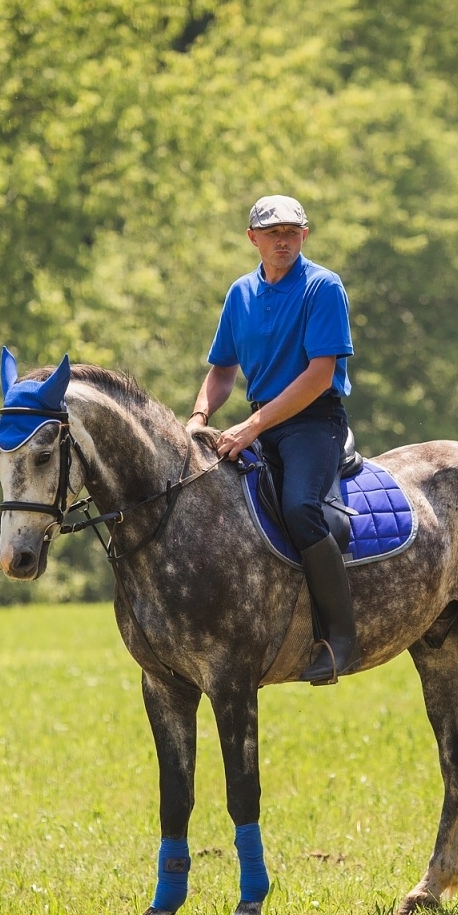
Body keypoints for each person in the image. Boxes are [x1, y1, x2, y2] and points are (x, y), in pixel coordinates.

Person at [191, 195, 361, 684]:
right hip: (259, 423)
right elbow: (222, 371)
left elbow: (319, 376)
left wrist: (252, 426)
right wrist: (199, 416)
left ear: (305, 235)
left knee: (300, 508)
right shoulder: (239, 294)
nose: (282, 240)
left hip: (313, 422)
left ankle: (339, 638)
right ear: (253, 239)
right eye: (272, 233)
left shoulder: (323, 287)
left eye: (291, 231)